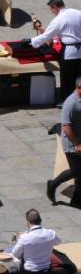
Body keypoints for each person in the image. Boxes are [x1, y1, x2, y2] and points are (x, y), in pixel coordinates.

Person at [31, 0, 81, 100]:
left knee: (67, 80)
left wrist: (32, 42)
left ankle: (67, 101)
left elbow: (46, 36)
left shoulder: (59, 19)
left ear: (55, 7)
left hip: (69, 54)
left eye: (52, 10)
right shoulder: (77, 13)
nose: (52, 13)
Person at [50, 78, 81, 207]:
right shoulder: (71, 103)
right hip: (72, 144)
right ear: (79, 88)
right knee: (76, 171)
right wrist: (77, 144)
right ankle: (53, 184)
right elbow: (66, 126)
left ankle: (76, 200)